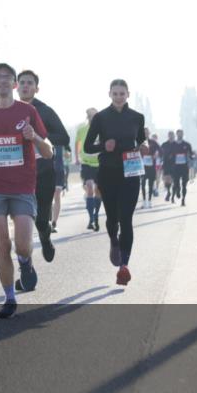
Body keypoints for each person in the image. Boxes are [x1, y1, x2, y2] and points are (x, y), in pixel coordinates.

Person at [0, 63, 52, 318]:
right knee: (3, 244)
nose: (3, 81)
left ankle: (25, 263)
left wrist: (34, 137)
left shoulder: (27, 111)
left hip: (23, 186)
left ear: (15, 85)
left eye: (8, 78)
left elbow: (48, 151)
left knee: (22, 245)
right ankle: (9, 297)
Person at [82, 79, 146, 286]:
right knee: (112, 219)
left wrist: (141, 147)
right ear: (109, 94)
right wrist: (103, 146)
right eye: (115, 93)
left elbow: (139, 141)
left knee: (126, 219)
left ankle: (124, 267)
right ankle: (113, 241)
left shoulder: (137, 117)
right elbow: (87, 147)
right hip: (108, 173)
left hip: (131, 174)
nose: (119, 97)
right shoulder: (100, 118)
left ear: (128, 94)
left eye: (122, 93)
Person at [15, 70, 69, 262]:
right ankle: (26, 267)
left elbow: (64, 137)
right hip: (17, 175)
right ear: (16, 86)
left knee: (40, 220)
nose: (25, 86)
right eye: (22, 82)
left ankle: (45, 238)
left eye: (30, 83)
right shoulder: (8, 110)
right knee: (22, 222)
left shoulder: (45, 111)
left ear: (36, 88)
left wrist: (37, 138)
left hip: (43, 173)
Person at [75, 108, 102, 231]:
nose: (92, 118)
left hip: (100, 164)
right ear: (87, 117)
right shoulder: (82, 130)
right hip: (86, 164)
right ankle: (91, 218)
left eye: (94, 116)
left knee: (98, 191)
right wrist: (77, 158)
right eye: (90, 116)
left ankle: (96, 216)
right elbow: (77, 144)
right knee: (90, 187)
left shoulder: (103, 129)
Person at [171, 129, 195, 206]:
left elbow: (191, 155)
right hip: (176, 167)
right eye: (178, 134)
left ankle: (183, 199)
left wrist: (193, 156)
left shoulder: (187, 144)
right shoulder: (173, 144)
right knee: (176, 183)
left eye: (181, 134)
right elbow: (169, 154)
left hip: (184, 166)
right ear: (176, 135)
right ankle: (177, 191)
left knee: (184, 184)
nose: (179, 135)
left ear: (183, 135)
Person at [140, 127, 159, 209]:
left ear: (149, 133)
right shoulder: (139, 142)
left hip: (151, 166)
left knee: (151, 184)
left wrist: (156, 154)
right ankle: (144, 201)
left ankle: (150, 201)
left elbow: (161, 150)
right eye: (144, 132)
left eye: (147, 132)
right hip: (142, 167)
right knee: (143, 184)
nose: (145, 134)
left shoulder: (153, 142)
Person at [160, 130, 177, 203]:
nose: (171, 137)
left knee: (175, 180)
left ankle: (173, 196)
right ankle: (168, 192)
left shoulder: (177, 144)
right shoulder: (164, 144)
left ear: (174, 136)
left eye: (172, 135)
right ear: (168, 136)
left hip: (175, 164)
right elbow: (160, 152)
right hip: (166, 164)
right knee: (166, 180)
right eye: (170, 135)